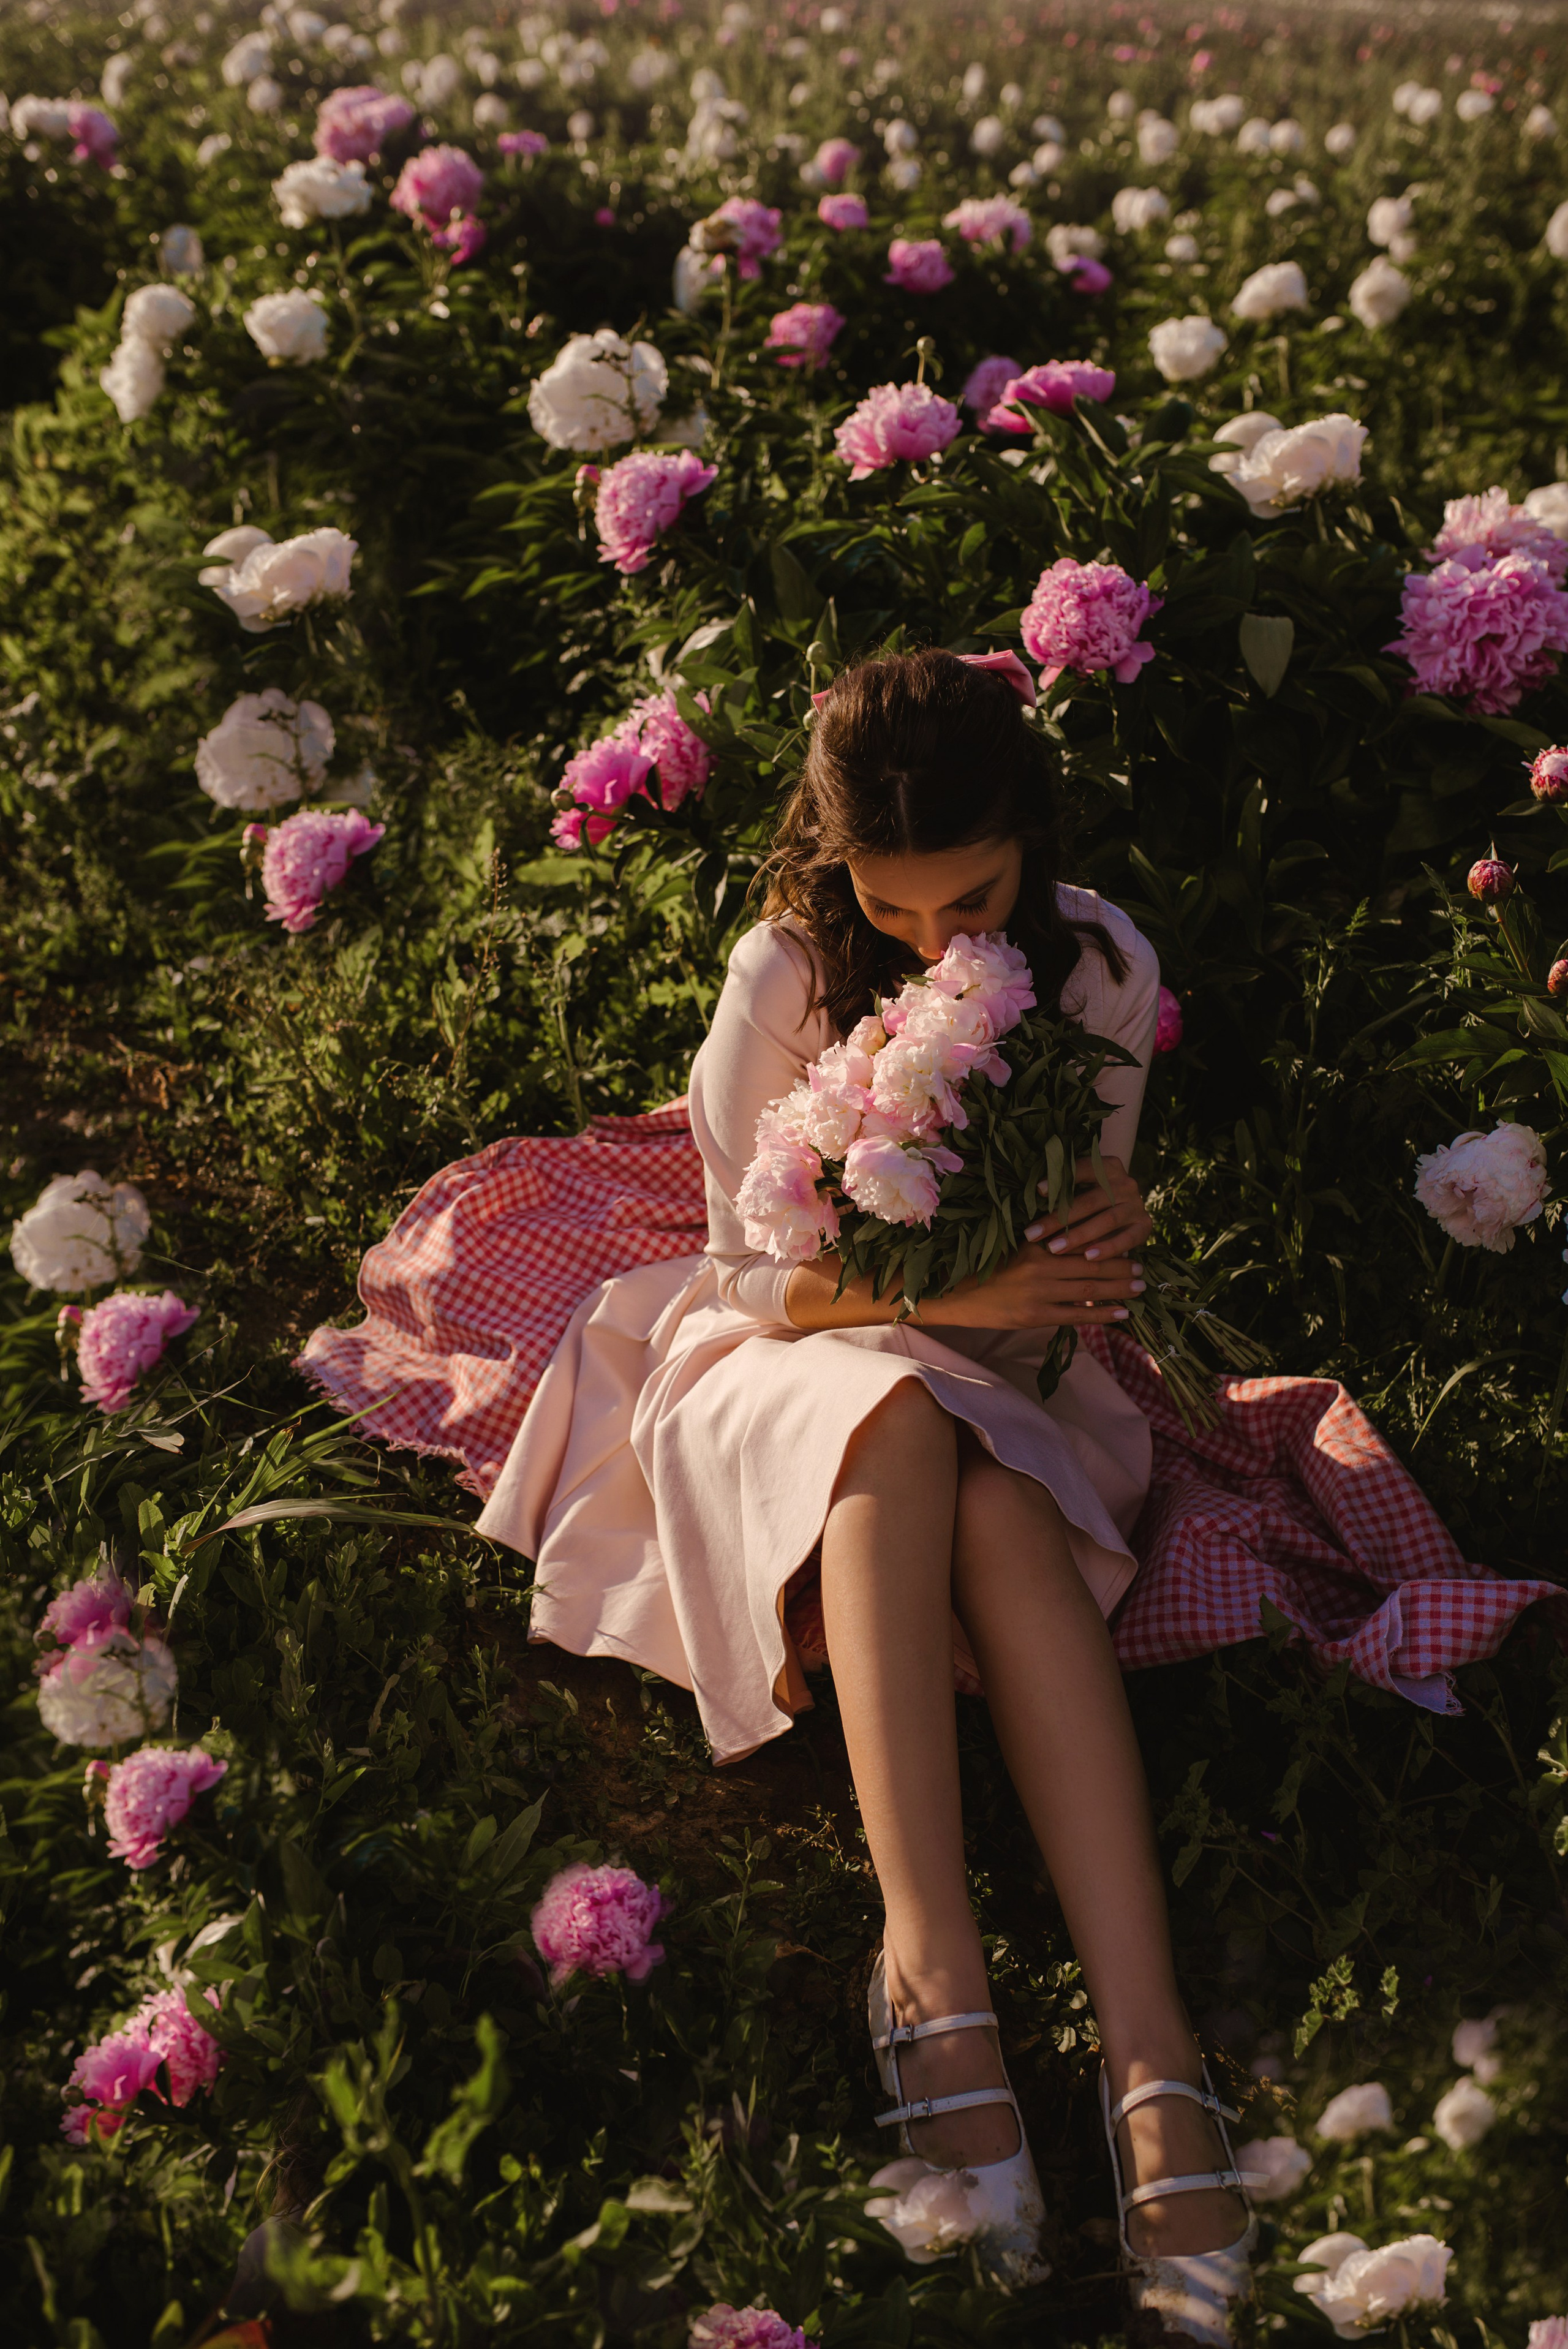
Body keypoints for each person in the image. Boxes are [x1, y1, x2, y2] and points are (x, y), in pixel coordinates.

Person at [475, 647, 1262, 2330]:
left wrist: (1105, 1224)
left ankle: (1150, 2048)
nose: (929, 939)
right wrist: (957, 1289)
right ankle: (931, 1967)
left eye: (970, 898)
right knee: (896, 1424)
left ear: (1032, 838)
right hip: (779, 1361)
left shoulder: (1101, 965)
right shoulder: (787, 971)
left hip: (999, 1374)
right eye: (889, 904)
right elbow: (747, 1279)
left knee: (989, 1498)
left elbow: (1066, 1260)